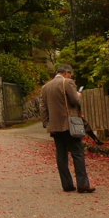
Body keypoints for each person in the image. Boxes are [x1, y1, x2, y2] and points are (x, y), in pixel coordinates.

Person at [41, 64, 95, 193]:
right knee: (78, 153)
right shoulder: (67, 82)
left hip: (55, 126)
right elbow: (75, 100)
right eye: (71, 74)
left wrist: (47, 123)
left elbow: (43, 107)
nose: (71, 76)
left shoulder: (45, 87)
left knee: (61, 155)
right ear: (66, 72)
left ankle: (67, 184)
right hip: (70, 125)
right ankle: (82, 184)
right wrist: (78, 95)